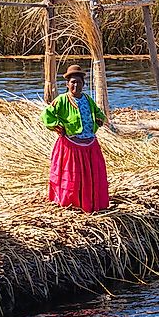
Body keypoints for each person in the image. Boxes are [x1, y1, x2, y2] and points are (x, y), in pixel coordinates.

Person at [42, 65, 109, 212]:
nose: (76, 85)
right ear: (67, 84)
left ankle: (89, 201)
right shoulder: (62, 100)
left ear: (83, 84)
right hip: (71, 145)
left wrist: (99, 119)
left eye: (79, 82)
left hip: (90, 144)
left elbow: (99, 113)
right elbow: (47, 115)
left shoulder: (87, 99)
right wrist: (57, 126)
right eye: (72, 82)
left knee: (91, 176)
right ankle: (71, 202)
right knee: (72, 176)